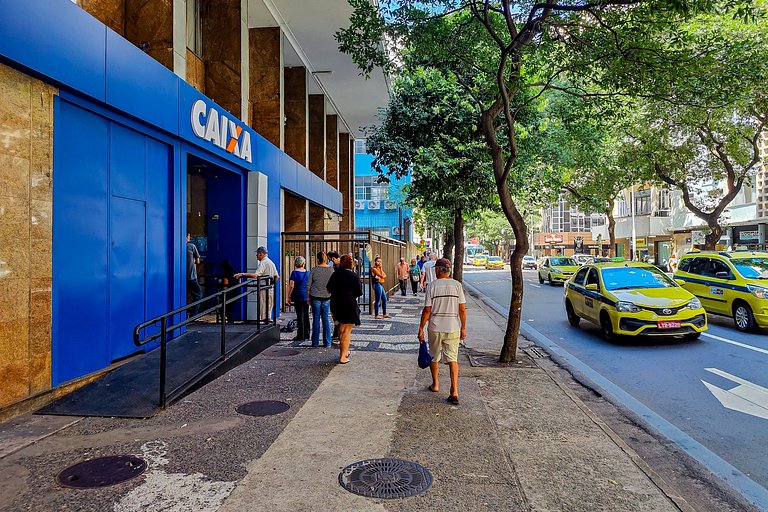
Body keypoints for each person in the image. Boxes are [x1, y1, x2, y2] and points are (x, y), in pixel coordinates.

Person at [417, 258, 467, 405]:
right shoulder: (457, 286)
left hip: (436, 327)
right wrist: (463, 328)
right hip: (453, 327)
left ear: (438, 270)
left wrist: (421, 328)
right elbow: (462, 310)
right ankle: (454, 390)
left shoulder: (432, 286)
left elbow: (427, 310)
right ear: (449, 270)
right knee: (453, 359)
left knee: (434, 356)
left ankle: (436, 384)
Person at [327, 254, 362, 364]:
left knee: (341, 329)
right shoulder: (354, 276)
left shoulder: (335, 275)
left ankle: (345, 351)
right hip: (349, 304)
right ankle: (343, 356)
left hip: (336, 305)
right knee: (347, 330)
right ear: (351, 264)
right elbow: (358, 292)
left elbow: (329, 289)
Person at [234, 246, 279, 322]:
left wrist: (242, 274)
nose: (256, 255)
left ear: (261, 254)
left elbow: (256, 275)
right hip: (271, 288)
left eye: (257, 254)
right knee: (269, 307)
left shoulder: (263, 263)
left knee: (263, 306)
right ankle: (268, 321)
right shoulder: (271, 262)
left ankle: (265, 322)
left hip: (264, 289)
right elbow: (277, 277)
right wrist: (271, 284)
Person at [308, 251, 335, 347]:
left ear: (318, 259)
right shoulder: (331, 270)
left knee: (316, 319)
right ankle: (327, 342)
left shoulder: (314, 270)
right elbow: (333, 285)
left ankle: (315, 342)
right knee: (326, 319)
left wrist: (309, 296)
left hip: (315, 296)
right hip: (327, 296)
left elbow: (308, 285)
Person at [287, 256, 310, 341]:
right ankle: (307, 334)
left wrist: (288, 296)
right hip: (306, 295)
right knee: (306, 315)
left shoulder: (294, 273)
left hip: (297, 296)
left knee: (299, 315)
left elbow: (291, 286)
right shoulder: (308, 273)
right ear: (303, 264)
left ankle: (300, 335)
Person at [186, 232, 202, 317]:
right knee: (198, 295)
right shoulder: (191, 246)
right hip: (191, 277)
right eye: (188, 236)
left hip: (180, 278)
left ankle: (184, 314)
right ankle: (193, 315)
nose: (189, 237)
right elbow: (198, 261)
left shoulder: (177, 247)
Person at [326, 250, 341, 342]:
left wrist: (329, 265)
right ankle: (337, 332)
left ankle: (337, 332)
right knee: (337, 315)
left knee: (336, 315)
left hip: (336, 295)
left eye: (329, 259)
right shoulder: (341, 265)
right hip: (339, 295)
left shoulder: (335, 268)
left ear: (332, 259)